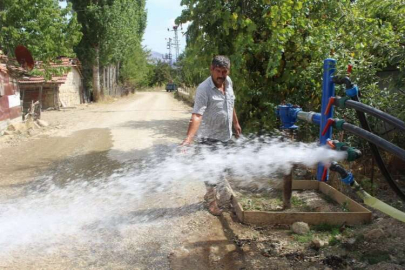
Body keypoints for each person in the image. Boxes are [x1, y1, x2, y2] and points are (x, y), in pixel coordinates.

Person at [182, 55, 242, 216]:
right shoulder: (204, 89)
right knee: (211, 171)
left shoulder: (229, 84)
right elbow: (197, 115)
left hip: (225, 136)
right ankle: (211, 203)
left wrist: (235, 123)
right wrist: (189, 138)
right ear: (211, 69)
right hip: (208, 138)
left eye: (225, 72)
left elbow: (231, 104)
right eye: (218, 71)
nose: (221, 75)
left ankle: (211, 195)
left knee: (222, 169)